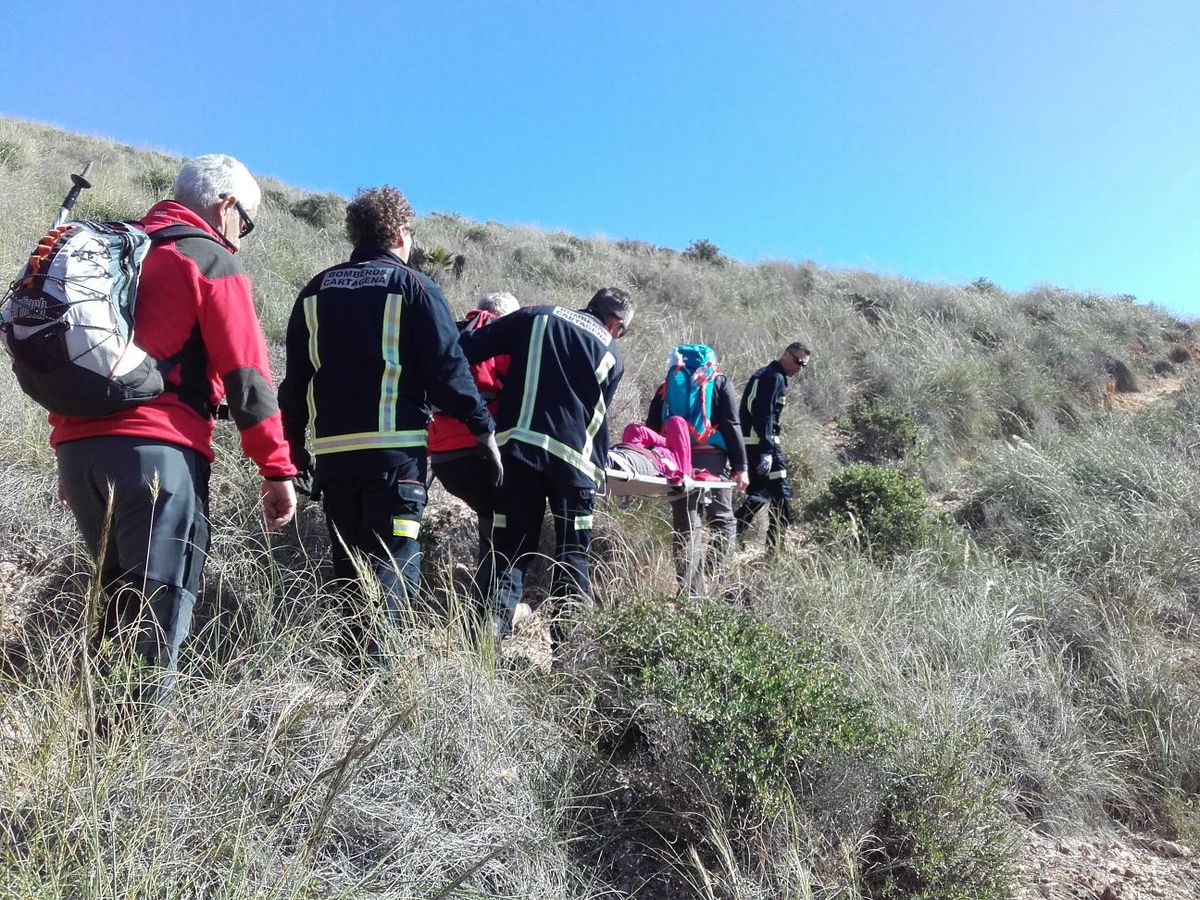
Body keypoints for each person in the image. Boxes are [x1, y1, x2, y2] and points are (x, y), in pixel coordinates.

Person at [52, 154, 297, 709]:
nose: (242, 237)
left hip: (79, 452)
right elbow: (248, 377)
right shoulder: (207, 258)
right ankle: (124, 772)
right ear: (225, 205)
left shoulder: (113, 251)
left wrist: (64, 443)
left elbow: (73, 356)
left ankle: (90, 752)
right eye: (246, 223)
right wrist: (276, 467)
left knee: (112, 610)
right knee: (156, 619)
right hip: (159, 457)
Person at [278, 186, 500, 655]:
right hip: (394, 459)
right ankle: (381, 687)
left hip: (334, 459)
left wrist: (294, 449)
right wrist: (481, 426)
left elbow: (294, 382)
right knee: (392, 571)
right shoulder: (414, 287)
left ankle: (350, 681)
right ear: (401, 232)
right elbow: (448, 371)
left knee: (350, 574)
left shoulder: (315, 290)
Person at [459, 288, 632, 643]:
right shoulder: (613, 354)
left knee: (510, 548)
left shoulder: (536, 316)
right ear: (615, 324)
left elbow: (467, 348)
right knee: (572, 557)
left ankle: (489, 643)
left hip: (520, 454)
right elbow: (595, 414)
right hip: (577, 469)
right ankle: (568, 654)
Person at [428, 292, 519, 596]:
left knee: (488, 519)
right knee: (500, 529)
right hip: (480, 451)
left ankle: (480, 596)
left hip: (442, 457)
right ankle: (486, 609)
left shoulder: (449, 334)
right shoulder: (503, 340)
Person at [647, 349, 748, 595]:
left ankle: (691, 591)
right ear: (711, 363)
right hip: (713, 459)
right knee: (723, 521)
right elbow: (732, 424)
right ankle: (708, 574)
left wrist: (653, 459)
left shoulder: (668, 385)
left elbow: (652, 425)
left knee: (686, 526)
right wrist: (741, 467)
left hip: (677, 461)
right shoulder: (720, 382)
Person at [734, 342, 811, 551]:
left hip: (751, 443)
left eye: (803, 365)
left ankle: (731, 533)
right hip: (763, 444)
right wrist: (767, 451)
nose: (799, 367)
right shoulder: (775, 377)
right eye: (797, 361)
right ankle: (773, 550)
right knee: (782, 499)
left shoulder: (764, 374)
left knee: (760, 493)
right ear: (786, 354)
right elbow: (764, 414)